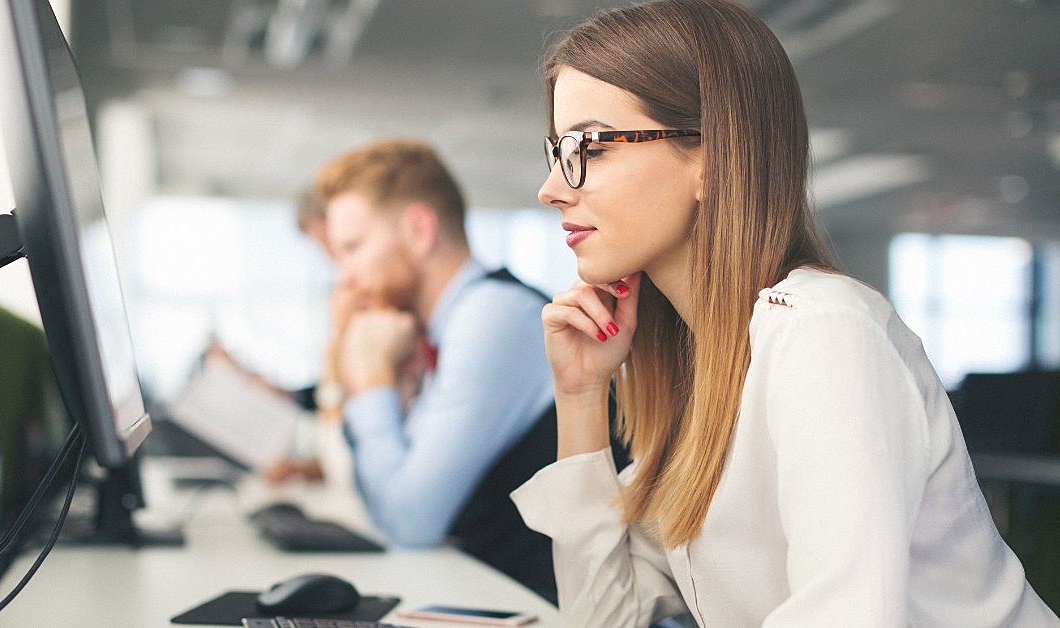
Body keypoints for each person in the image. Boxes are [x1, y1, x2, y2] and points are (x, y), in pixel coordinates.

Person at [509, 1, 1060, 626]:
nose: (551, 187)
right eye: (556, 150)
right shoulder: (705, 362)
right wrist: (580, 397)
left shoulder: (822, 333)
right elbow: (606, 618)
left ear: (712, 157)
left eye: (588, 146)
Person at [315, 138, 562, 602]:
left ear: (418, 230)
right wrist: (397, 389)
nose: (343, 277)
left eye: (352, 247)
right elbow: (383, 508)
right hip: (499, 596)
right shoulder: (432, 333)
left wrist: (370, 379)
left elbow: (410, 522)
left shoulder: (491, 316)